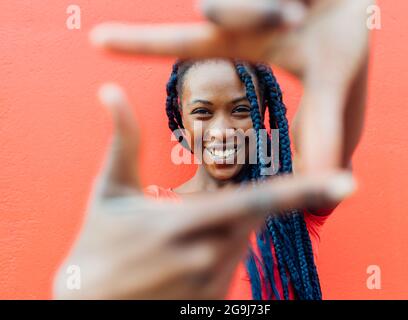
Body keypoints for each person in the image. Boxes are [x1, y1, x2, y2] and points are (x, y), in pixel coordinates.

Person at [53, 0, 371, 300]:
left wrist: (342, 68)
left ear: (263, 112)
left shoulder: (286, 198)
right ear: (181, 118)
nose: (221, 132)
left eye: (241, 110)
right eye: (203, 112)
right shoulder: (153, 210)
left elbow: (334, 140)